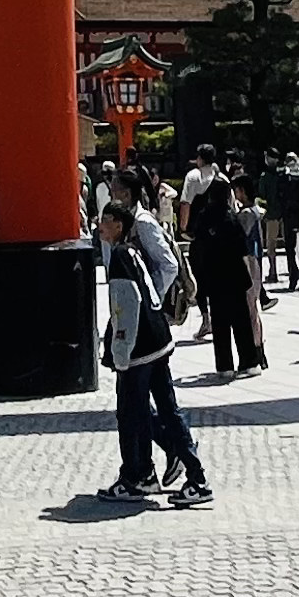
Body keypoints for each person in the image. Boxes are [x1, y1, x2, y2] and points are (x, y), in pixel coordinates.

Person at [93, 193, 211, 505]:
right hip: (158, 338)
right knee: (167, 409)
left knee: (131, 412)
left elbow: (126, 305)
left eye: (105, 221)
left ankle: (139, 474)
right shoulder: (133, 251)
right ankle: (195, 475)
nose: (99, 226)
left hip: (139, 347)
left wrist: (120, 350)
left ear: (118, 225)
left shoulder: (119, 255)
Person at [190, 170, 268, 378]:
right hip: (234, 275)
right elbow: (242, 248)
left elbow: (197, 246)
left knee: (220, 324)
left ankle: (224, 366)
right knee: (241, 321)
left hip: (213, 276)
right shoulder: (230, 218)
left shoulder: (204, 218)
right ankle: (249, 362)